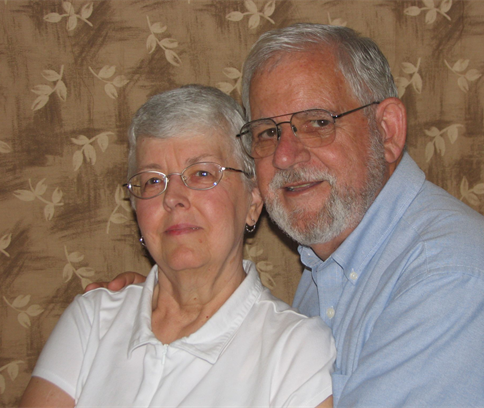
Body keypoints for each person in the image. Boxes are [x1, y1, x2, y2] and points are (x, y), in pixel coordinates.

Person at [91, 24, 484, 407]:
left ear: (387, 131)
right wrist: (173, 310)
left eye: (318, 122)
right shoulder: (331, 267)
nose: (285, 155)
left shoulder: (454, 282)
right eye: (268, 132)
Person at [19, 85, 335, 408]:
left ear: (253, 202)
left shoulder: (294, 351)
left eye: (202, 173)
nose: (172, 198)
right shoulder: (93, 320)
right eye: (153, 180)